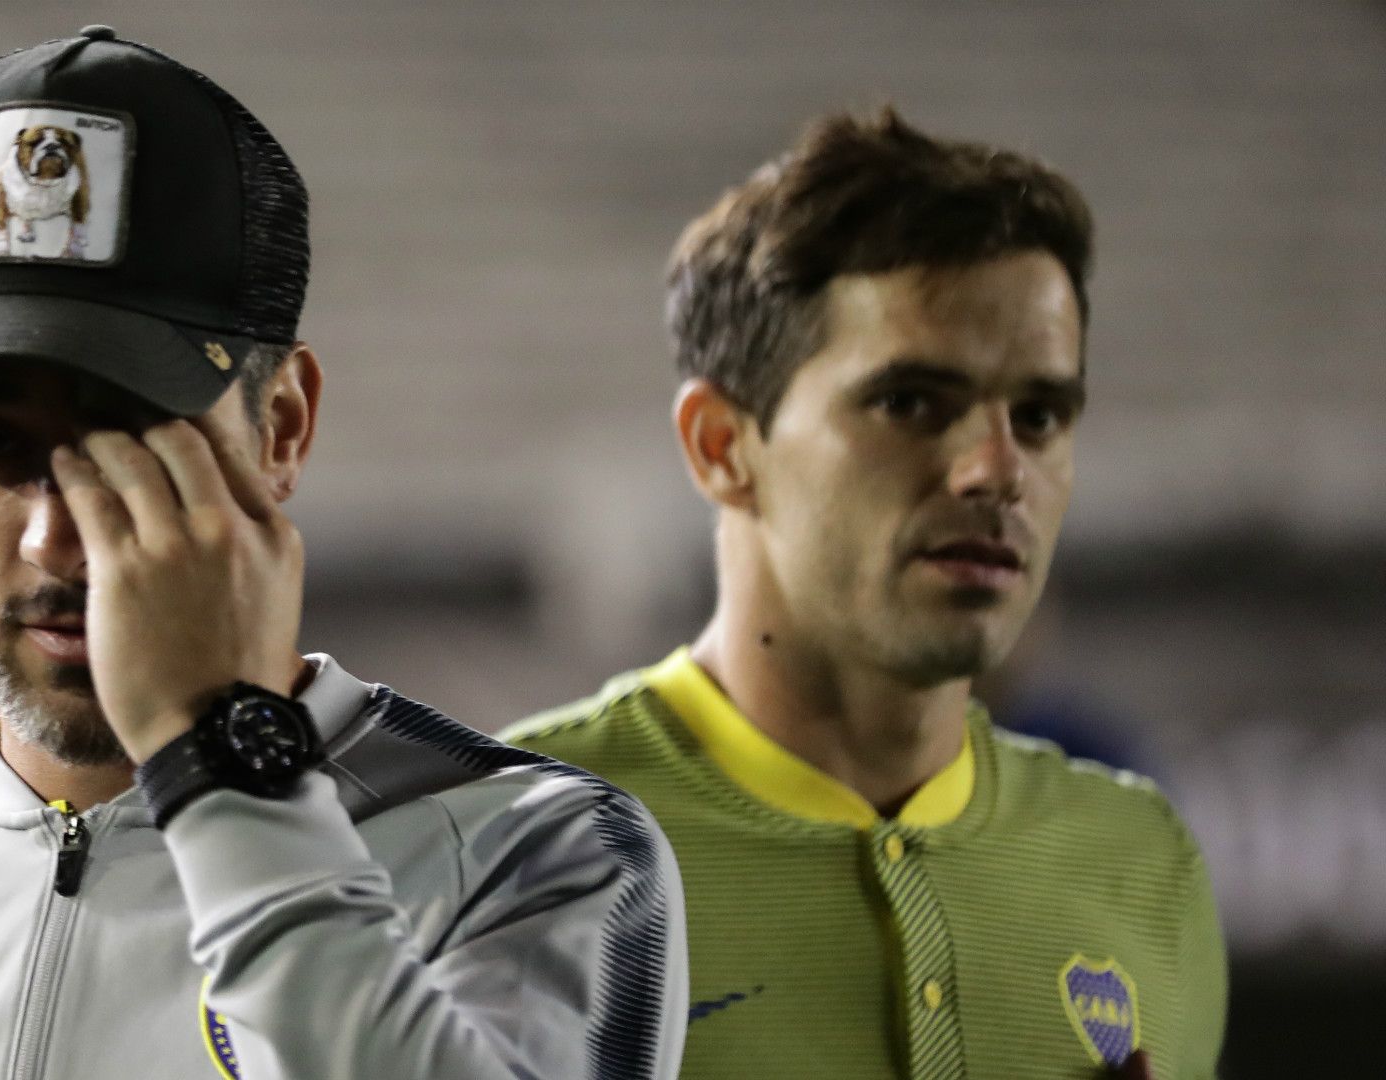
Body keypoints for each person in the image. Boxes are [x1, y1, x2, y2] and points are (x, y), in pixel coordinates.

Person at [0, 27, 685, 1080]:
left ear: (282, 426)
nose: (55, 536)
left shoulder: (528, 856)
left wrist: (224, 772)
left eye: (130, 444)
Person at [505, 110, 1225, 1079]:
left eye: (1040, 415)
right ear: (722, 447)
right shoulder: (500, 851)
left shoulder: (1144, 864)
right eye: (909, 403)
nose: (996, 470)